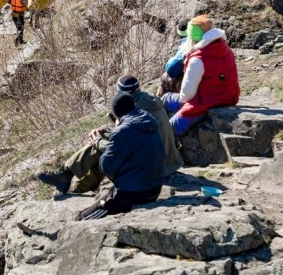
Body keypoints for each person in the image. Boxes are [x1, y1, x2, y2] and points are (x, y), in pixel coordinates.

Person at [37, 76, 182, 196]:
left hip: (157, 167)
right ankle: (73, 182)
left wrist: (97, 140)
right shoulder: (149, 101)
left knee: (103, 151)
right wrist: (103, 130)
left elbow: (121, 146)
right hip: (169, 160)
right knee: (103, 144)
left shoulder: (137, 111)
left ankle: (70, 179)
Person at [75, 91, 167, 220]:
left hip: (131, 194)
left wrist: (99, 142)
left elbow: (106, 167)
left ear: (115, 113)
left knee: (83, 218)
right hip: (154, 189)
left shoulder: (121, 132)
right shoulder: (149, 121)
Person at [161, 15, 240, 137]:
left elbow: (186, 96)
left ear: (191, 37)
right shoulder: (225, 49)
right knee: (167, 99)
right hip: (228, 97)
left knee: (167, 130)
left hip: (205, 102)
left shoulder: (197, 59)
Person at [159, 20, 189, 95]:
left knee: (165, 76)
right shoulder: (207, 40)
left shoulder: (185, 46)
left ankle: (159, 103)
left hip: (189, 83)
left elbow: (171, 68)